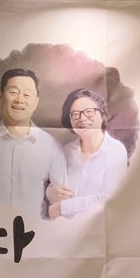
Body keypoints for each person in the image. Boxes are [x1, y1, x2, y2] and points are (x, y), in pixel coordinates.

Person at [0, 68, 66, 218]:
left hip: (34, 228)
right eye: (13, 92)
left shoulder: (51, 145)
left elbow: (62, 199)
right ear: (1, 95)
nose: (19, 100)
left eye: (27, 94)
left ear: (36, 101)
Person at [47, 88, 128, 219]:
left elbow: (109, 198)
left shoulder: (116, 150)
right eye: (75, 114)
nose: (82, 118)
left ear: (102, 116)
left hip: (98, 226)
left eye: (89, 112)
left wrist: (62, 208)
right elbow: (53, 185)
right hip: (62, 228)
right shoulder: (65, 151)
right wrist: (50, 193)